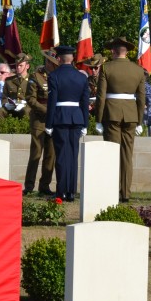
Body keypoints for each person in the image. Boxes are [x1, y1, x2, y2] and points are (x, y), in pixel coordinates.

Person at [96, 36, 147, 203]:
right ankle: (125, 192)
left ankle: (111, 189)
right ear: (126, 52)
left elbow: (101, 96)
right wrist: (140, 121)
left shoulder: (106, 68)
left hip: (112, 114)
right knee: (127, 155)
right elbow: (141, 98)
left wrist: (98, 119)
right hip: (131, 115)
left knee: (112, 153)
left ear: (113, 51)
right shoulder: (138, 70)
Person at [46, 45, 91, 201]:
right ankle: (71, 192)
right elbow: (85, 103)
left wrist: (48, 124)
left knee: (61, 156)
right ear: (72, 58)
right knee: (73, 155)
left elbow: (52, 102)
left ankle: (62, 191)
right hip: (76, 118)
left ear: (58, 58)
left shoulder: (54, 76)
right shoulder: (81, 77)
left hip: (60, 118)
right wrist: (85, 124)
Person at [24, 51, 57, 196]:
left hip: (54, 120)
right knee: (36, 154)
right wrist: (47, 111)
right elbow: (31, 99)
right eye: (52, 62)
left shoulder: (58, 76)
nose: (54, 65)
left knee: (51, 155)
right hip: (40, 120)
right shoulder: (35, 76)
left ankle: (45, 185)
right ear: (47, 62)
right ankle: (29, 186)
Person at [0, 53, 31, 119]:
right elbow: (4, 97)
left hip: (26, 107)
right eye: (17, 65)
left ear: (27, 66)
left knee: (26, 111)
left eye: (21, 65)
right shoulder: (9, 80)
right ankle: (1, 129)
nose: (18, 67)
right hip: (12, 107)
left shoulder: (33, 80)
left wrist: (25, 104)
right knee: (0, 111)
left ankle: (26, 129)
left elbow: (36, 98)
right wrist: (6, 104)